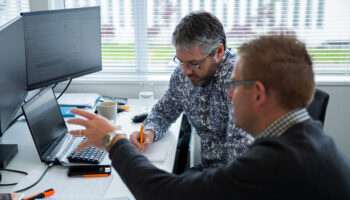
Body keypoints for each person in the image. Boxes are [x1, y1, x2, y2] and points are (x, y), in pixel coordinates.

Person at [68, 34, 350, 200]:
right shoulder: (308, 136)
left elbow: (160, 194)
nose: (229, 95)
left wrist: (112, 138)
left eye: (235, 86)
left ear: (258, 94)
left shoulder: (275, 162)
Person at [129, 11, 252, 170]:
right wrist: (150, 132)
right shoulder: (182, 75)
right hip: (209, 172)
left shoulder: (239, 82)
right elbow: (163, 112)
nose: (185, 71)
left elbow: (240, 160)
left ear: (218, 52)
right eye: (181, 62)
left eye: (194, 63)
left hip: (236, 180)